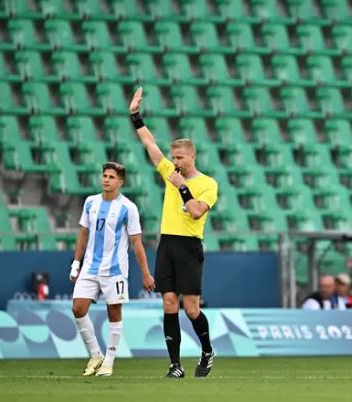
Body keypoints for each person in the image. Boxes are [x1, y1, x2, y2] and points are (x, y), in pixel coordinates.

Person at [129, 88, 219, 379]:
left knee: (191, 307)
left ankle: (206, 351)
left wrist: (181, 186)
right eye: (173, 157)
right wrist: (135, 115)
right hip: (167, 243)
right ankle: (175, 365)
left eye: (180, 157)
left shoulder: (207, 184)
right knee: (169, 302)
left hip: (190, 246)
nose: (175, 161)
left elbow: (195, 211)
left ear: (192, 155)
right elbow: (149, 143)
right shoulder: (169, 170)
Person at [69, 162, 155, 377]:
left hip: (114, 269)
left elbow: (136, 243)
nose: (106, 179)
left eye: (111, 177)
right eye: (104, 175)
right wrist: (76, 263)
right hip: (90, 267)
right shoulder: (90, 202)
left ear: (120, 182)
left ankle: (109, 360)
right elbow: (83, 234)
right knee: (78, 309)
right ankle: (95, 355)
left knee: (114, 312)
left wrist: (145, 273)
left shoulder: (128, 208)